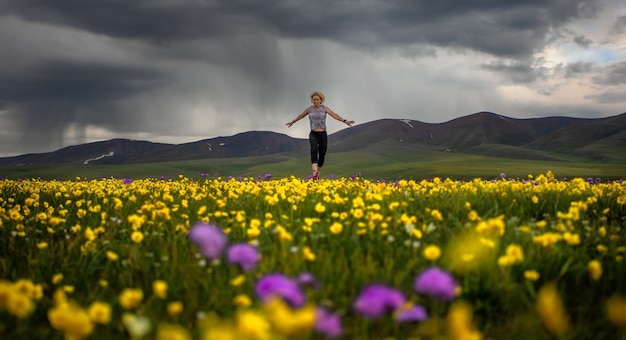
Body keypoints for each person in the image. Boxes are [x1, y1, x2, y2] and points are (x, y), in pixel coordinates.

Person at [286, 91, 355, 179]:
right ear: (312, 100)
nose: (315, 101)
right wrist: (293, 122)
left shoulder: (325, 109)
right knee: (314, 150)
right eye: (314, 100)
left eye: (317, 99)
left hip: (322, 134)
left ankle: (317, 172)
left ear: (321, 100)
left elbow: (335, 115)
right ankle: (314, 173)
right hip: (313, 133)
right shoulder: (309, 109)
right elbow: (301, 116)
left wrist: (345, 121)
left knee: (322, 155)